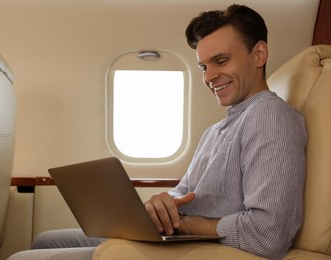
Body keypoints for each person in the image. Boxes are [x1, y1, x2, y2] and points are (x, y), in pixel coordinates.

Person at [32, 4, 307, 260]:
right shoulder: (215, 131)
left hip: (202, 248)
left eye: (221, 61)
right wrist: (163, 206)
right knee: (45, 241)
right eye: (203, 66)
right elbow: (184, 191)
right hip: (179, 236)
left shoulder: (271, 116)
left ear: (259, 54)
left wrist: (189, 224)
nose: (209, 77)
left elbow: (269, 233)